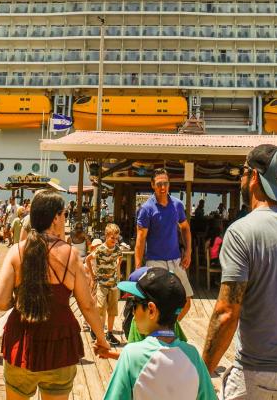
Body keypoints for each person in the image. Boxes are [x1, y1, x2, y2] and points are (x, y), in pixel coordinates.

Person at [201, 145, 277, 399]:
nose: (240, 179)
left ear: (254, 176)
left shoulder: (241, 232)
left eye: (243, 172)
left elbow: (226, 313)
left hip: (253, 375)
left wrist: (203, 372)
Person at [0, 190, 109, 400]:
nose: (65, 219)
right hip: (59, 343)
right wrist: (102, 339)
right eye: (64, 214)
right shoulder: (71, 255)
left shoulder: (17, 251)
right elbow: (88, 305)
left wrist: (20, 300)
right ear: (55, 218)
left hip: (22, 341)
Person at [103, 267, 216, 400]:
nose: (132, 312)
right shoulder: (193, 357)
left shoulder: (131, 356)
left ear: (151, 310)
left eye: (134, 304)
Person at [135, 168, 193, 320]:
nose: (163, 187)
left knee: (186, 301)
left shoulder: (177, 205)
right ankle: (159, 334)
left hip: (176, 261)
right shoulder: (146, 209)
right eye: (159, 184)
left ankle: (171, 328)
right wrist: (138, 267)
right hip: (155, 262)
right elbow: (140, 240)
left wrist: (188, 252)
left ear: (169, 184)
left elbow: (185, 228)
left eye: (165, 183)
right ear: (152, 185)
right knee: (158, 304)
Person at [92, 223, 124, 346]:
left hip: (113, 284)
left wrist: (118, 270)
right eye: (112, 238)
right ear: (106, 236)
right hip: (102, 284)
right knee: (101, 309)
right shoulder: (100, 250)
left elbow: (120, 258)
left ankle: (109, 333)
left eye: (117, 238)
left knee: (112, 310)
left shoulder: (117, 250)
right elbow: (89, 259)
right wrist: (93, 273)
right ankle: (99, 332)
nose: (115, 241)